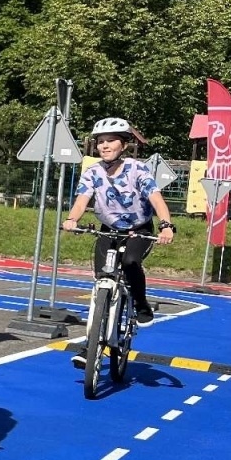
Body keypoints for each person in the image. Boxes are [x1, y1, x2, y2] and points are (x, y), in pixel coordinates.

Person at [61, 117, 176, 324]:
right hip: (110, 229)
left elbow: (157, 200)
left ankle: (141, 303)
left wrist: (166, 226)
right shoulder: (92, 172)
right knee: (101, 274)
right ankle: (96, 335)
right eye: (100, 141)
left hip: (139, 229)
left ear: (123, 145)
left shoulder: (137, 169)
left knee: (130, 262)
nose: (104, 146)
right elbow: (81, 202)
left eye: (111, 140)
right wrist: (71, 219)